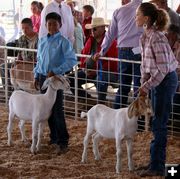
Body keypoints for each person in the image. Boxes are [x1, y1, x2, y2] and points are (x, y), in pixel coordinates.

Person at [135, 2, 178, 176]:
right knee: (157, 122)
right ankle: (154, 162)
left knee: (159, 124)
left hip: (164, 81)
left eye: (137, 14)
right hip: (157, 81)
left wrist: (146, 86)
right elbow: (146, 65)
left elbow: (162, 69)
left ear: (146, 19)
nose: (135, 17)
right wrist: (143, 83)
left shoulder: (157, 37)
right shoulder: (146, 36)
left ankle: (157, 167)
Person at [34, 12, 77, 154]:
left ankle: (63, 141)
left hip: (55, 80)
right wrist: (36, 75)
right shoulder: (42, 40)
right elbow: (39, 60)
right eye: (49, 24)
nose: (52, 26)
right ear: (45, 25)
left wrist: (56, 70)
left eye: (54, 23)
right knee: (47, 109)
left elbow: (72, 60)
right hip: (42, 77)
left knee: (57, 109)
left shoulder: (64, 42)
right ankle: (53, 137)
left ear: (60, 25)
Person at [94, 0, 143, 109]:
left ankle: (117, 116)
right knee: (138, 86)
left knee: (123, 87)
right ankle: (138, 120)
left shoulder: (119, 11)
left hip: (123, 51)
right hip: (139, 50)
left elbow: (110, 34)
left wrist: (102, 51)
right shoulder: (145, 9)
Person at [68, 17, 118, 103]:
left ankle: (100, 104)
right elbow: (83, 57)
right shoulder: (90, 40)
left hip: (107, 73)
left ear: (102, 28)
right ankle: (88, 100)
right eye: (91, 29)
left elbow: (113, 64)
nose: (92, 31)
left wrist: (96, 71)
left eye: (94, 29)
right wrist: (85, 68)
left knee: (101, 80)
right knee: (70, 79)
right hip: (91, 71)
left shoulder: (111, 42)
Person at [0, 18, 38, 93]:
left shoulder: (39, 39)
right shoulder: (21, 39)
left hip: (34, 63)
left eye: (27, 28)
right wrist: (17, 60)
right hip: (23, 62)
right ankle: (8, 92)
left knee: (19, 69)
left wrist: (26, 62)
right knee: (4, 66)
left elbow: (39, 57)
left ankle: (19, 91)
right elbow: (20, 54)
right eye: (23, 28)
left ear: (32, 27)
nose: (24, 30)